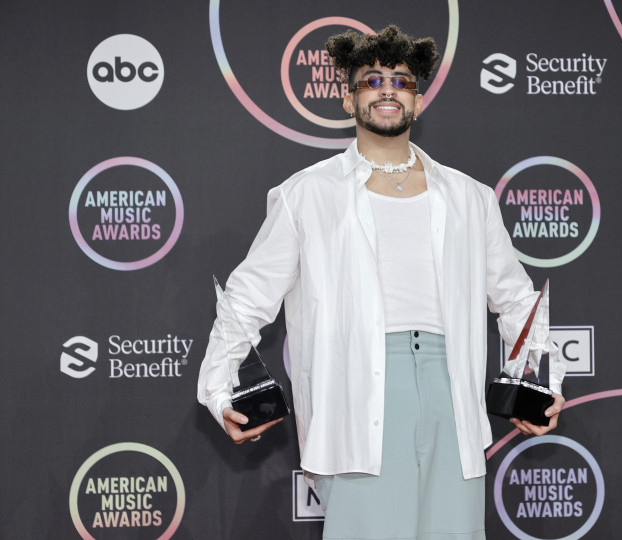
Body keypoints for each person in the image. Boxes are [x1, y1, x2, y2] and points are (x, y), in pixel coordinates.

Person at [197, 24, 566, 540]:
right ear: (350, 100)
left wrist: (539, 383)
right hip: (358, 389)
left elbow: (515, 299)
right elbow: (247, 299)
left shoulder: (470, 197)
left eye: (402, 81)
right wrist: (219, 390)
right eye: (372, 80)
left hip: (451, 391)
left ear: (418, 99)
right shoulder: (306, 194)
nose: (388, 89)